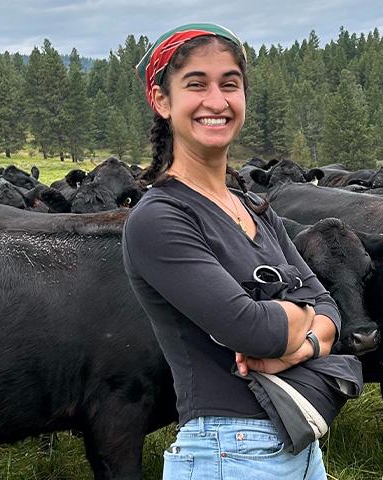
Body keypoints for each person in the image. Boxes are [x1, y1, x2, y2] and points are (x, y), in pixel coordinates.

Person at [122, 23, 341, 479]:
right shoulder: (160, 217)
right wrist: (303, 316)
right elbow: (252, 330)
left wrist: (298, 345)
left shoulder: (255, 210)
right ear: (162, 101)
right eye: (195, 84)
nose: (216, 101)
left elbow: (332, 309)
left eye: (230, 84)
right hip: (225, 449)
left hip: (299, 442)